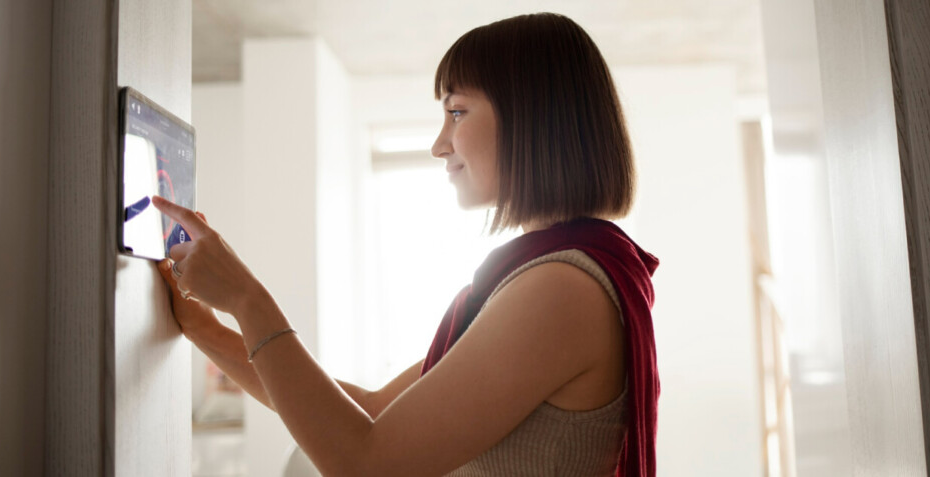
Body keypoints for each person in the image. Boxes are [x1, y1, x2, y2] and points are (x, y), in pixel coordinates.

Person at [154, 12, 660, 477]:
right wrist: (202, 326)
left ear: (533, 119)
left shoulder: (560, 288)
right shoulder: (549, 277)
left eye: (457, 112)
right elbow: (371, 411)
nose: (440, 144)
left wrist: (247, 298)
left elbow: (365, 463)